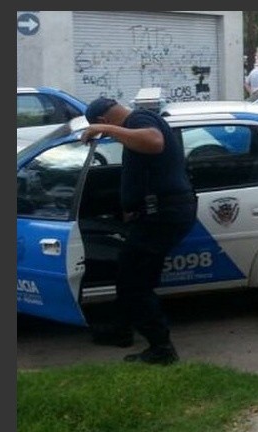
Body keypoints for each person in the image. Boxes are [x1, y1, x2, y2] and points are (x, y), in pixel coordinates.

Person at [80, 97, 197, 366]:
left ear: (103, 121)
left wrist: (108, 132)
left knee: (134, 282)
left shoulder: (139, 121)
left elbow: (154, 142)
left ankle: (161, 348)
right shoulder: (136, 122)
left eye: (102, 128)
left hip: (163, 216)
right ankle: (122, 331)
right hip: (155, 213)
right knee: (130, 271)